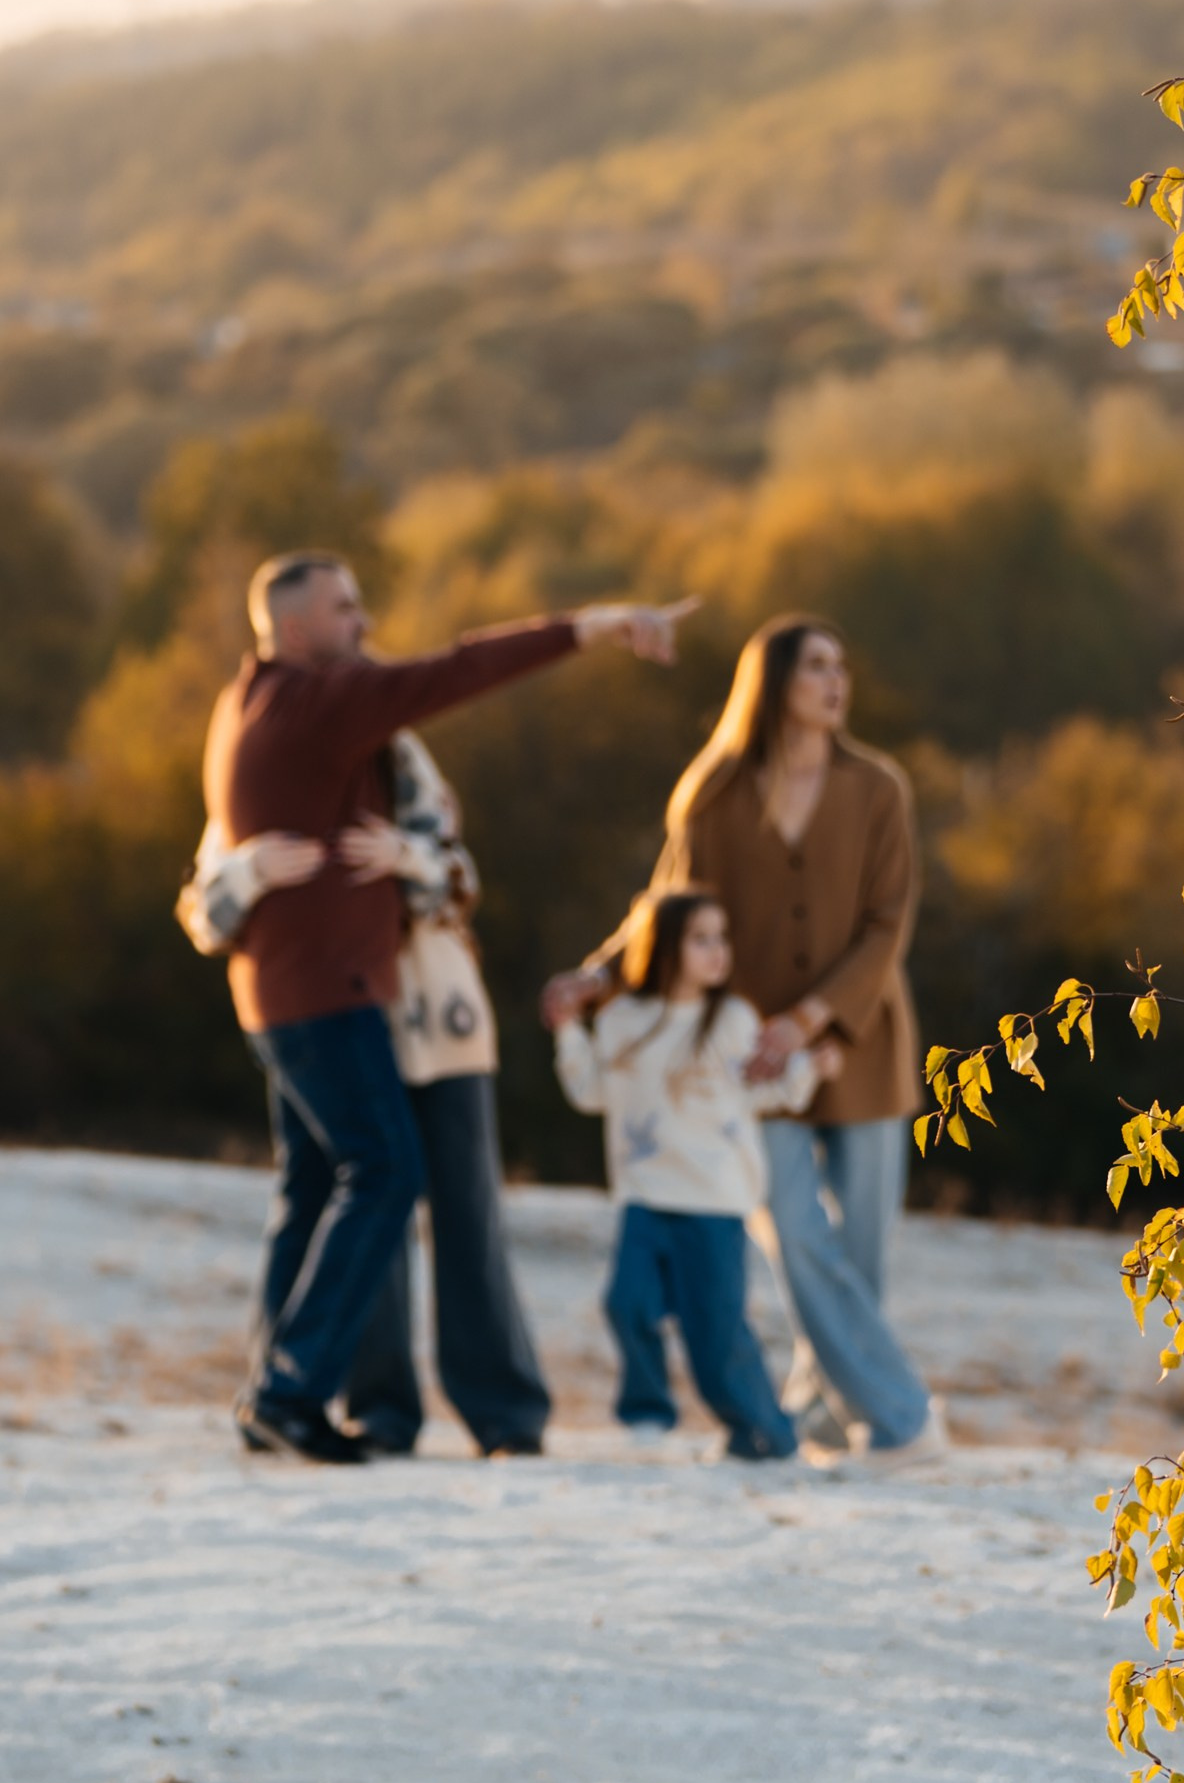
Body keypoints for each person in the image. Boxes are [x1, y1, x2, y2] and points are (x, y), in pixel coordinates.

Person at [199, 547, 692, 1465]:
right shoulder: (324, 701)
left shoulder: (245, 707)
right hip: (330, 995)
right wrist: (592, 626)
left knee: (315, 1188)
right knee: (385, 1173)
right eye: (346, 610)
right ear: (296, 628)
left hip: (308, 995)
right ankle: (289, 1391)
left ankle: (284, 1395)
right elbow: (461, 666)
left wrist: (410, 862)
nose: (365, 625)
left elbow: (444, 860)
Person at [551, 614, 944, 1465]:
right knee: (798, 1237)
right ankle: (905, 1421)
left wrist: (811, 1020)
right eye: (816, 668)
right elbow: (665, 908)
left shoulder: (880, 788)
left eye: (842, 667)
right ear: (772, 684)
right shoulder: (715, 794)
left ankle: (825, 1412)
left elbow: (888, 926)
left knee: (860, 1266)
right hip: (751, 1059)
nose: (837, 683)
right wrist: (598, 977)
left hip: (859, 1045)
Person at [178, 727, 550, 1459]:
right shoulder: (262, 775)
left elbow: (458, 876)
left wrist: (405, 858)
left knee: (467, 1211)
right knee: (360, 1203)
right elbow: (203, 911)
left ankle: (505, 1413)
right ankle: (381, 1409)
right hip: (334, 1019)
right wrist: (253, 871)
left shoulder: (398, 754)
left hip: (440, 1016)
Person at [550, 885, 837, 1461]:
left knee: (718, 1334)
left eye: (722, 939)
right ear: (661, 946)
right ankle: (647, 1419)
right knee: (626, 1305)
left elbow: (761, 1089)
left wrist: (811, 1066)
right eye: (702, 939)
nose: (718, 951)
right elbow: (590, 1090)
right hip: (645, 1197)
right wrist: (565, 1029)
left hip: (716, 1204)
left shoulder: (731, 1020)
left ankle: (763, 1437)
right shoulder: (622, 1021)